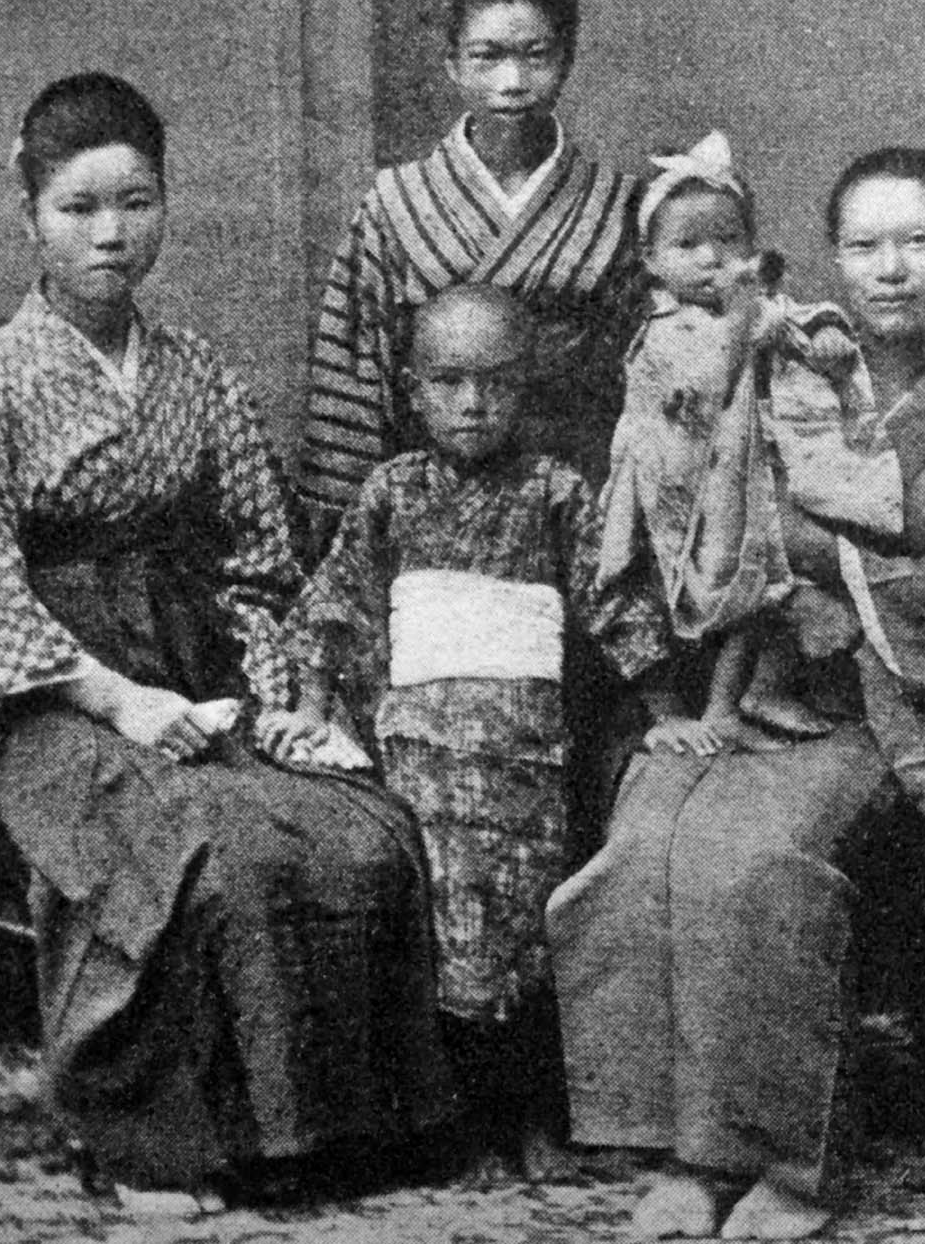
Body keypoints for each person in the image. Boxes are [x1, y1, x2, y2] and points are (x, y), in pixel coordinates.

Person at [0, 73, 452, 1210]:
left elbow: (258, 564)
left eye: (136, 202)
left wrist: (282, 698)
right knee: (188, 849)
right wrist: (113, 698)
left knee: (355, 830)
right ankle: (148, 1142)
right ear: (29, 211)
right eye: (80, 208)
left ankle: (321, 1133)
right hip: (36, 703)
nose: (112, 234)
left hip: (193, 670)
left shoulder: (196, 376)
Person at [549, 149, 925, 1240]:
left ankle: (780, 1163)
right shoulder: (783, 369)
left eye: (920, 241)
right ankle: (678, 1148)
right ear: (826, 258)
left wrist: (807, 563)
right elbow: (689, 521)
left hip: (885, 713)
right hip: (746, 689)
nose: (891, 269)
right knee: (638, 848)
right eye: (862, 246)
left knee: (756, 866)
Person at [264, 285, 669, 1183]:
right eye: (448, 382)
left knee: (534, 934)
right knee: (433, 935)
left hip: (528, 759)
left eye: (495, 383)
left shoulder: (556, 491)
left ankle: (535, 1121)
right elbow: (335, 608)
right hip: (419, 764)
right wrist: (315, 702)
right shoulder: (393, 492)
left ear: (529, 387)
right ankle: (451, 1128)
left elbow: (613, 605)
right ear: (412, 390)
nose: (473, 403)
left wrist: (669, 711)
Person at [300, 0, 641, 542]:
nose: (512, 81)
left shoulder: (615, 205)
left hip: (577, 506)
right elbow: (350, 382)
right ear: (452, 63)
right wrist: (350, 530)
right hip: (427, 510)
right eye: (487, 57)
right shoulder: (395, 204)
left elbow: (646, 384)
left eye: (535, 55)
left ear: (566, 59)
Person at [595, 129, 899, 750]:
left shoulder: (752, 306)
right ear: (650, 260)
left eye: (728, 240)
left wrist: (825, 343)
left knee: (778, 572)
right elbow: (699, 393)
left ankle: (749, 695)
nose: (712, 258)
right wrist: (742, 325)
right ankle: (697, 708)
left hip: (748, 477)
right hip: (681, 494)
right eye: (688, 244)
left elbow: (797, 325)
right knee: (711, 585)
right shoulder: (662, 331)